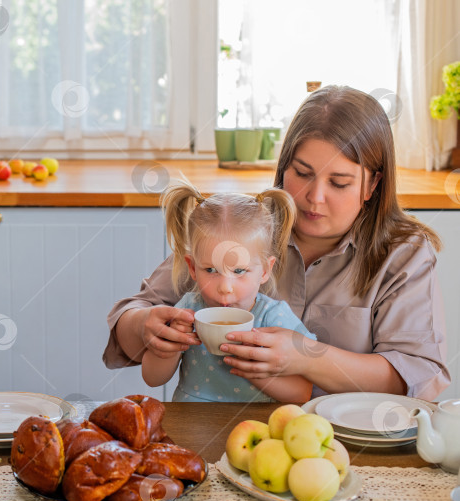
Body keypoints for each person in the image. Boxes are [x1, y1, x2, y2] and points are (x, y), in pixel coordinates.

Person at [106, 85, 450, 400]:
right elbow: (129, 320)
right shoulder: (243, 227)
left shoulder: (404, 253)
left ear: (372, 185)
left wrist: (308, 358)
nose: (315, 197)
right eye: (302, 173)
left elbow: (416, 375)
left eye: (340, 183)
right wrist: (146, 326)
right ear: (283, 167)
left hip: (352, 439)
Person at [141, 179, 316, 403]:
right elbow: (152, 378)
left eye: (240, 270)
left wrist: (252, 367)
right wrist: (171, 347)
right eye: (211, 270)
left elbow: (301, 393)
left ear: (265, 270)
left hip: (257, 428)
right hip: (192, 425)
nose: (225, 287)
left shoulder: (274, 317)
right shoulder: (187, 309)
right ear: (193, 268)